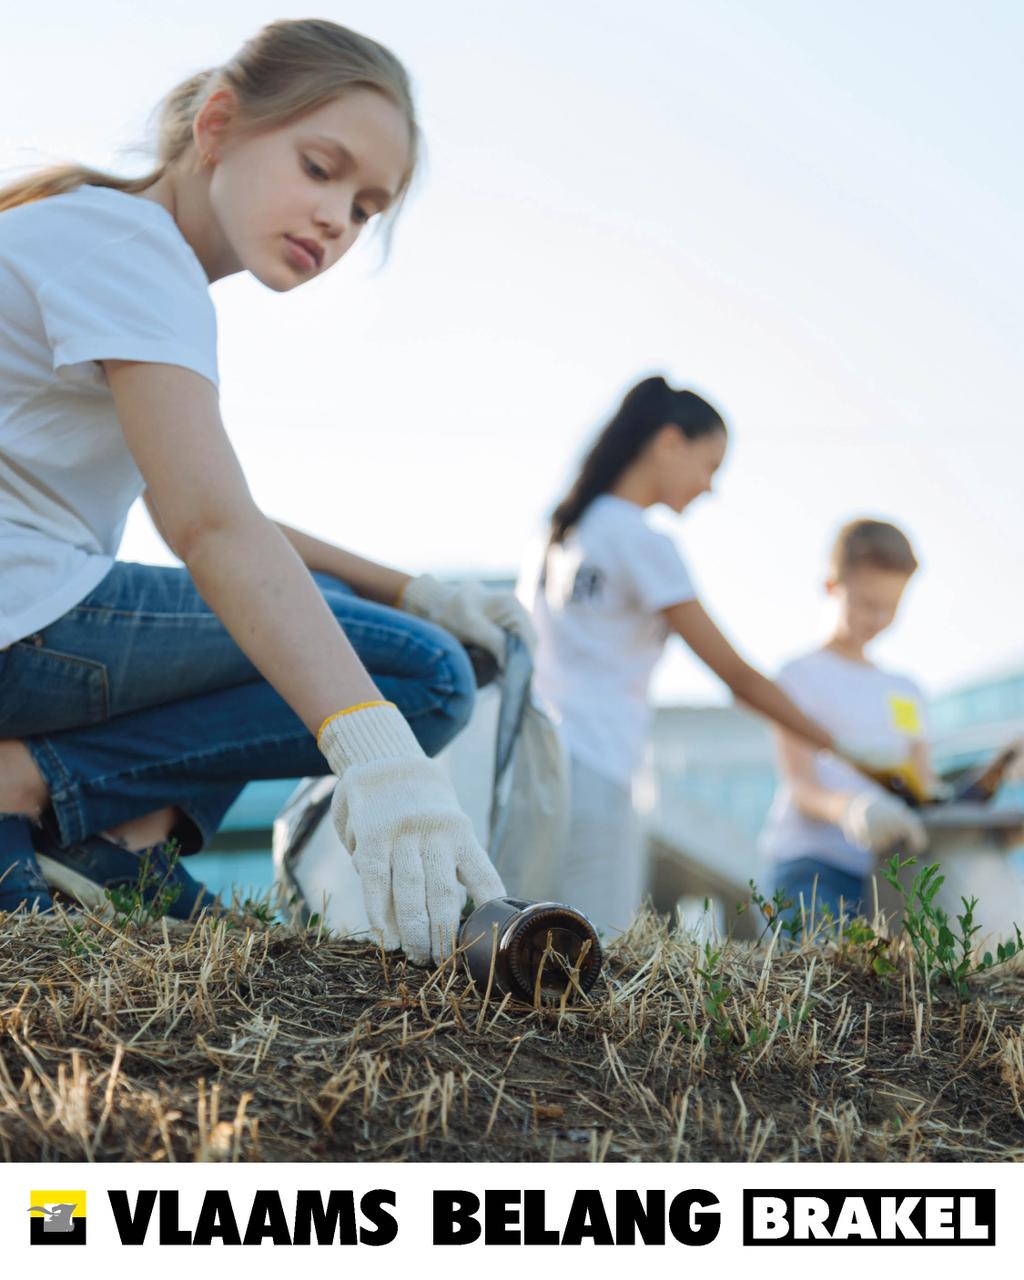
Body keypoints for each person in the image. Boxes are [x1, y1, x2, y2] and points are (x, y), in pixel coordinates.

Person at [0, 18, 532, 962]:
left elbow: (216, 510)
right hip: (18, 624)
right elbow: (208, 526)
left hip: (27, 613)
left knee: (315, 607)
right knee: (424, 674)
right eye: (320, 168)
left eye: (367, 207)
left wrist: (408, 588)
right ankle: (37, 796)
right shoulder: (133, 250)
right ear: (218, 126)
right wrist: (379, 753)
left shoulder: (104, 235)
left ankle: (110, 843)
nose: (338, 218)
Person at [518, 375, 841, 938]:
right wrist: (841, 746)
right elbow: (736, 675)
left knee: (524, 943)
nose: (709, 486)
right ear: (670, 442)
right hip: (600, 763)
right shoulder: (642, 541)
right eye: (709, 465)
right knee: (595, 947)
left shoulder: (557, 535)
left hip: (536, 764)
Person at [759, 519, 932, 923]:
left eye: (890, 607)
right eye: (867, 602)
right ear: (832, 587)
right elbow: (799, 784)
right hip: (811, 870)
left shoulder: (905, 691)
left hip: (888, 875)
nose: (878, 617)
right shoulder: (799, 676)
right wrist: (851, 809)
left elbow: (923, 787)